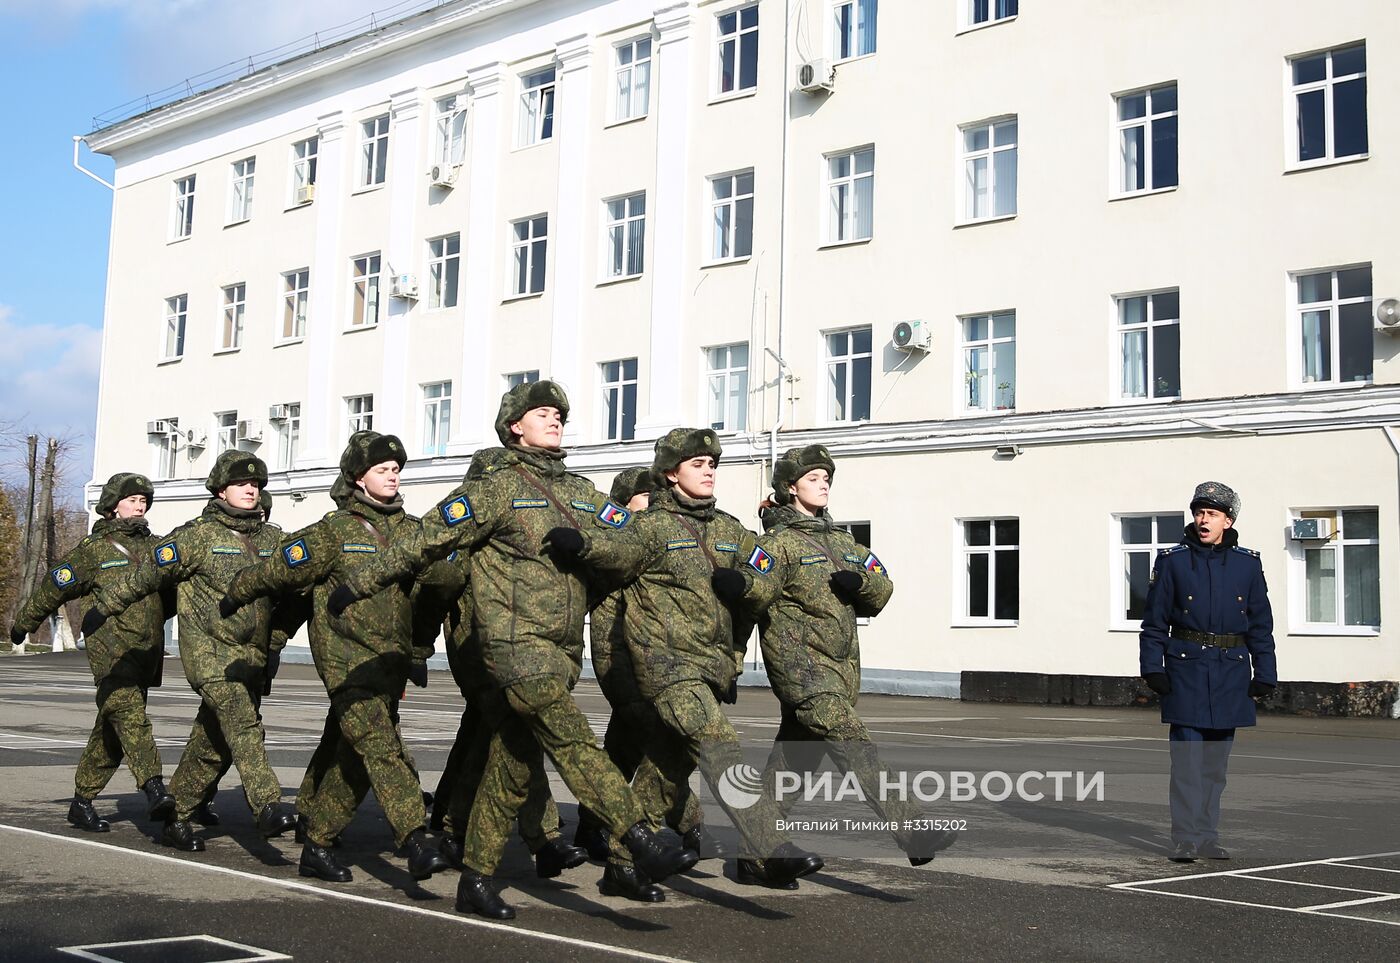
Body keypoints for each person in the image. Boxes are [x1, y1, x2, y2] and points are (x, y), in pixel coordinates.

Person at [328, 381, 697, 920]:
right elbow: (424, 538)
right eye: (542, 413)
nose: (555, 421)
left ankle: (475, 878)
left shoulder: (580, 493)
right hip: (512, 645)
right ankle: (637, 834)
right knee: (571, 735)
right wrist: (359, 583)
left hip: (560, 648)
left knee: (513, 764)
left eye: (559, 415)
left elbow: (635, 544)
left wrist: (590, 544)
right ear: (514, 426)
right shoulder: (495, 489)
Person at [586, 429, 823, 900]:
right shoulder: (649, 527)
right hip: (666, 668)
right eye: (697, 464)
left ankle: (620, 862)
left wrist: (774, 527)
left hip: (709, 668)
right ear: (671, 474)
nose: (709, 470)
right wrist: (581, 543)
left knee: (666, 771)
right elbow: (609, 553)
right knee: (719, 746)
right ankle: (765, 846)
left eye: (713, 463)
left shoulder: (729, 530)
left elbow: (764, 570)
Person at [220, 432, 448, 884]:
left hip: (388, 661)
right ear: (358, 478)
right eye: (382, 469)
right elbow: (280, 568)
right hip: (345, 660)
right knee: (380, 746)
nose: (392, 474)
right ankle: (416, 838)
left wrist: (420, 650)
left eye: (396, 468)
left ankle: (318, 842)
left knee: (354, 758)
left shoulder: (413, 533)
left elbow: (436, 589)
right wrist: (237, 591)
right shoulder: (333, 532)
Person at [730, 445, 954, 882]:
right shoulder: (776, 546)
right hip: (801, 670)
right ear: (790, 488)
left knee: (793, 764)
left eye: (826, 477)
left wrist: (862, 583)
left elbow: (883, 589)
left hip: (841, 671)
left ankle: (755, 853)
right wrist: (730, 663)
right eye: (813, 478)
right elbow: (748, 604)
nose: (824, 483)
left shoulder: (844, 542)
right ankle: (912, 829)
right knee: (852, 739)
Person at [87, 451, 297, 852]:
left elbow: (299, 587)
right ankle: (268, 804)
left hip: (249, 658)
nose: (251, 489)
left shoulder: (274, 540)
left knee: (213, 743)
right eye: (241, 484)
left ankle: (178, 817)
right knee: (242, 722)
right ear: (221, 489)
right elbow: (145, 574)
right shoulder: (196, 536)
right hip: (209, 654)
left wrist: (275, 641)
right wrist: (105, 606)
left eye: (256, 484)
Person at [413, 448, 583, 881]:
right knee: (511, 736)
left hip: (515, 648)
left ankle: (458, 825)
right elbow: (437, 589)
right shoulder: (467, 531)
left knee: (494, 740)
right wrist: (419, 647)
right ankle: (539, 839)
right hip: (476, 649)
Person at [8, 473, 176, 832]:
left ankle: (81, 801)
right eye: (132, 500)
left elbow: (174, 594)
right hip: (111, 651)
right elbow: (56, 585)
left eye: (144, 500)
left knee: (112, 731)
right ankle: (155, 786)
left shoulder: (156, 548)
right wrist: (24, 622)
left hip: (145, 650)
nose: (140, 505)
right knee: (130, 718)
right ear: (113, 506)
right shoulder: (94, 550)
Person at [574, 467, 713, 863]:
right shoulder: (618, 538)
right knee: (658, 735)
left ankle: (590, 822)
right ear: (624, 501)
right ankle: (690, 823)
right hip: (618, 652)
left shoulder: (662, 534)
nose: (654, 502)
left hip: (657, 657)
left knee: (624, 745)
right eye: (645, 496)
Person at [1139, 481, 1277, 862]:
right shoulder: (1173, 562)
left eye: (1212, 514)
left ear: (1227, 521)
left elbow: (1260, 625)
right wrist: (1153, 668)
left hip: (1231, 674)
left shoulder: (1248, 565)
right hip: (1185, 674)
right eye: (1199, 512)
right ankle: (1184, 838)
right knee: (1187, 765)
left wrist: (1265, 672)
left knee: (1215, 768)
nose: (1203, 519)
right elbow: (1153, 624)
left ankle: (1207, 836)